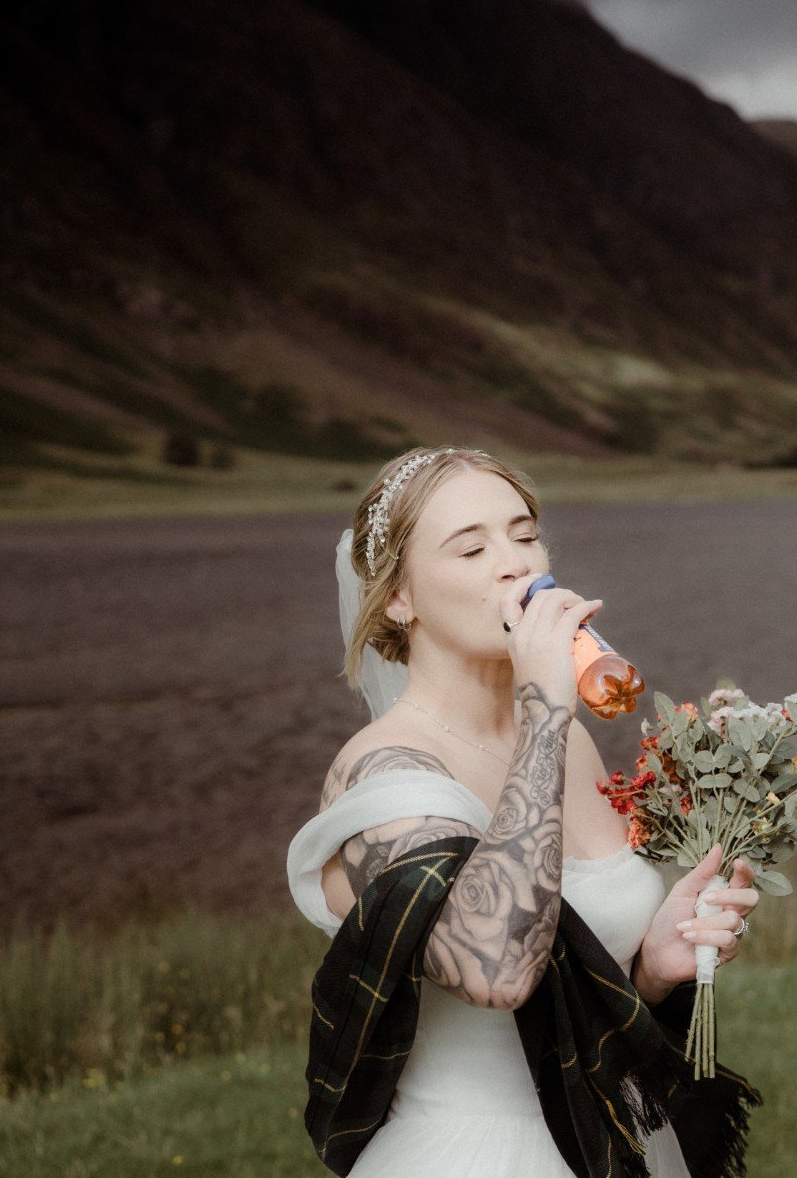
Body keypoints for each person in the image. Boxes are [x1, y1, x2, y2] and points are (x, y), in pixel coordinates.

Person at [287, 446, 760, 1178]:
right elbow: (496, 972)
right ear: (397, 599)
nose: (514, 563)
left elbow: (562, 976)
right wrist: (543, 705)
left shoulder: (566, 740)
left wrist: (652, 970)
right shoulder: (382, 771)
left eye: (524, 533)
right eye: (471, 547)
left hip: (610, 1137)